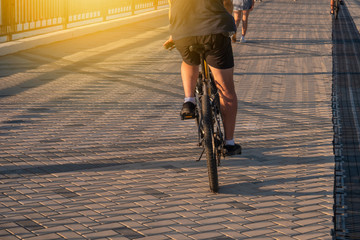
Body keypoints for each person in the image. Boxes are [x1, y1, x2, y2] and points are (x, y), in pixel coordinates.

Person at [163, 0, 242, 156]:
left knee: (188, 61)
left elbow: (172, 6)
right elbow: (227, 2)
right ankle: (229, 143)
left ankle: (189, 101)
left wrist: (174, 33)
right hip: (215, 31)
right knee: (227, 90)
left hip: (183, 32)